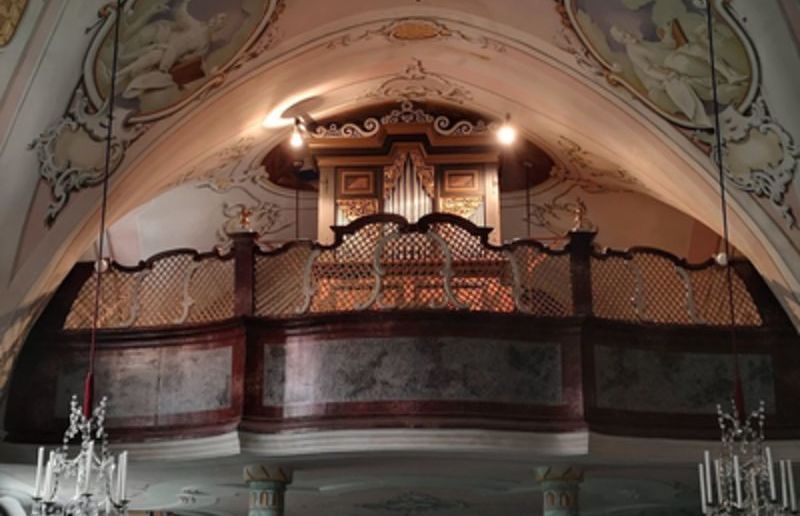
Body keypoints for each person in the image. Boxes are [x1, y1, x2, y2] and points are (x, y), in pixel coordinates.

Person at [115, 0, 229, 98]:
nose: (215, 20)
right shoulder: (195, 25)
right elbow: (180, 15)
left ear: (220, 27)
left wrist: (179, 59)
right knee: (151, 57)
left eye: (221, 20)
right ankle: (121, 74)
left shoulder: (205, 44)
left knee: (153, 59)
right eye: (216, 17)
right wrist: (185, 2)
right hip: (165, 47)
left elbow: (191, 58)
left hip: (170, 58)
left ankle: (125, 76)